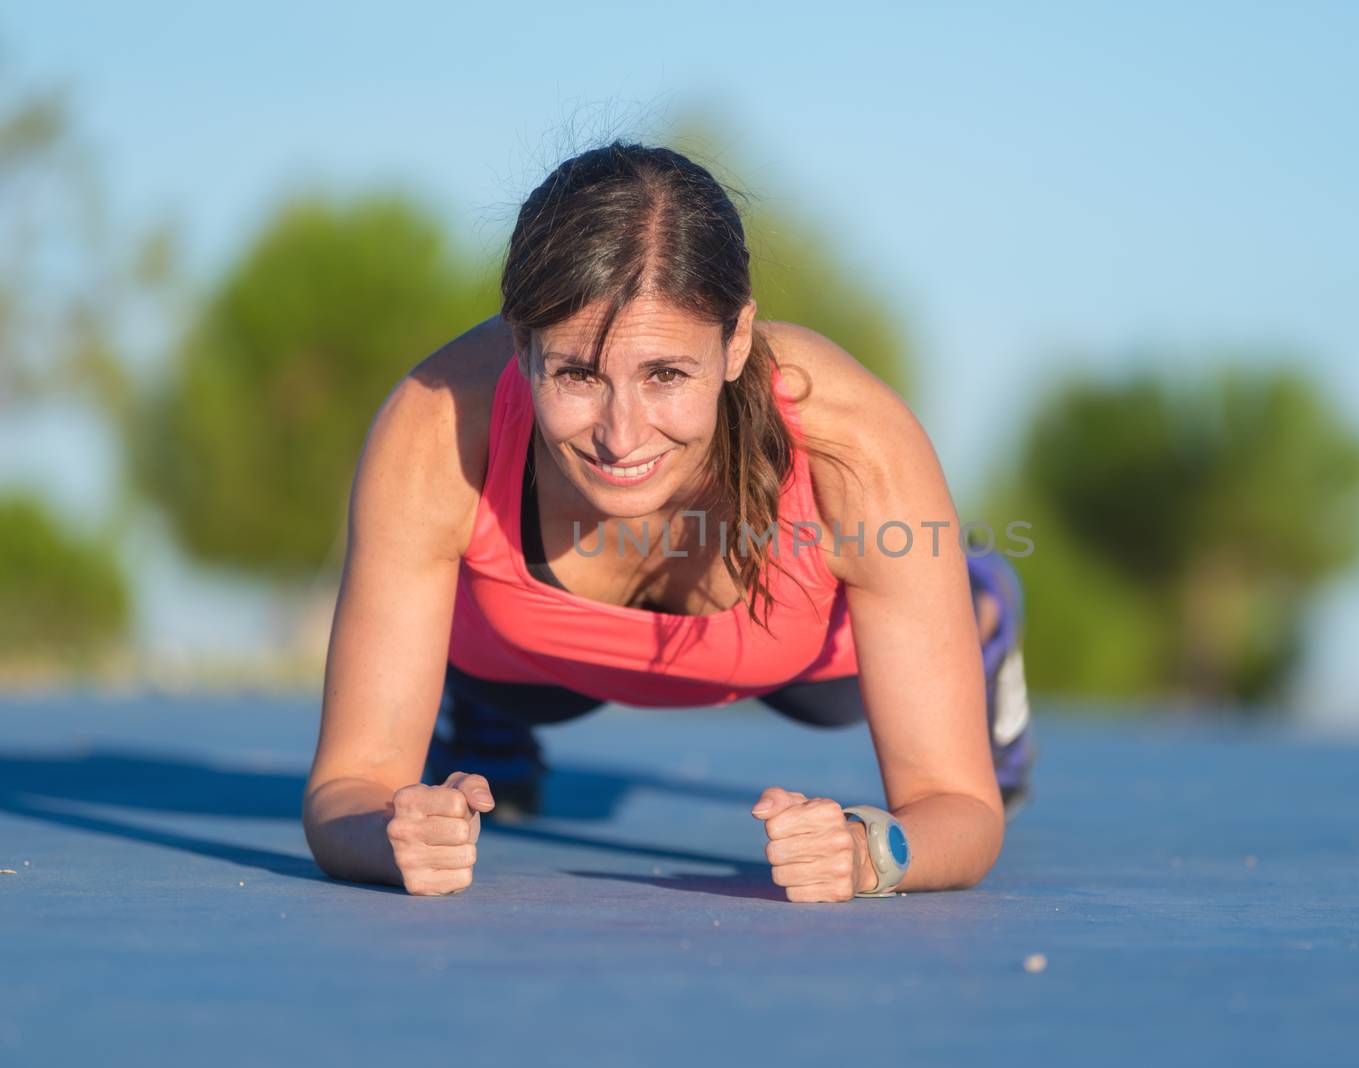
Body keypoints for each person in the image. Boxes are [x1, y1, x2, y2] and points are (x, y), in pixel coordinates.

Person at [302, 142, 1037, 902]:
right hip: (521, 661)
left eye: (666, 375)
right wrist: (390, 834)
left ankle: (975, 602)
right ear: (522, 344)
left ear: (736, 342)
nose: (620, 436)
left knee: (838, 695)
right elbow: (350, 787)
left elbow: (961, 810)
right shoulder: (439, 424)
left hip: (807, 659)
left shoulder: (854, 444)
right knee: (500, 672)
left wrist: (866, 854)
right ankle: (484, 714)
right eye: (578, 375)